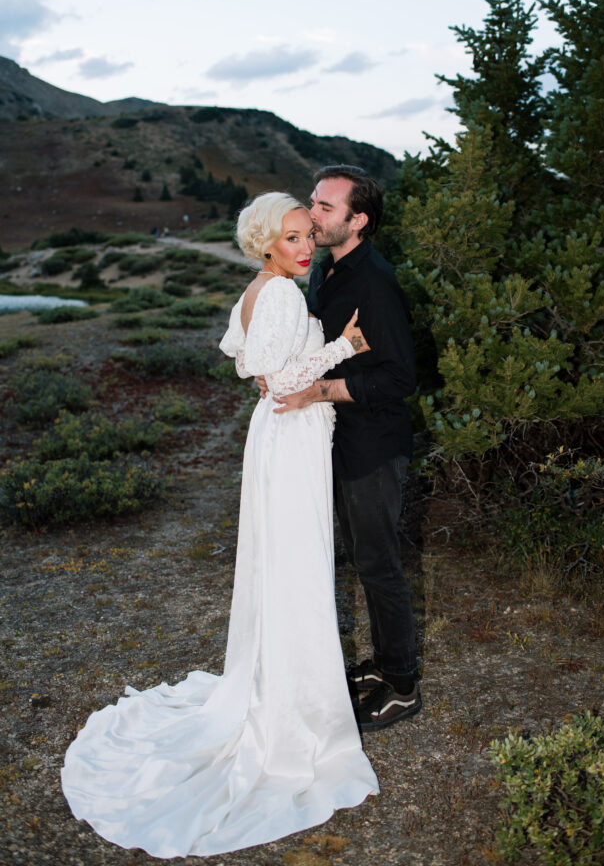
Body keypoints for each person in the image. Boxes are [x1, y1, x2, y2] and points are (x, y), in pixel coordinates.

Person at [60, 192, 378, 858]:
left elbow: (238, 352)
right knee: (295, 563)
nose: (304, 246)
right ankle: (295, 712)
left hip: (276, 437)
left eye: (306, 235)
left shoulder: (259, 288)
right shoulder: (286, 295)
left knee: (284, 563)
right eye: (290, 237)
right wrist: (342, 346)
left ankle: (284, 685)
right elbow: (272, 377)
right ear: (266, 241)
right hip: (290, 435)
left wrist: (292, 366)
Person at [271, 166, 420, 732]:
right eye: (313, 202)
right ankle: (382, 665)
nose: (312, 214)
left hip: (374, 446)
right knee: (360, 557)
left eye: (326, 208)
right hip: (338, 439)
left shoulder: (374, 282)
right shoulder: (326, 268)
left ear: (358, 220)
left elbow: (400, 377)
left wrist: (321, 390)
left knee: (379, 565)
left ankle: (402, 685)